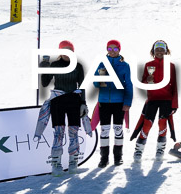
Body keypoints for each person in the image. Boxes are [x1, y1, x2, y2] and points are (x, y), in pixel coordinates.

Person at [36, 40, 91, 176]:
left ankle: (73, 161)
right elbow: (44, 83)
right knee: (59, 132)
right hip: (58, 101)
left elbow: (82, 85)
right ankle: (56, 163)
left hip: (74, 100)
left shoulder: (78, 66)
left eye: (70, 50)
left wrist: (83, 103)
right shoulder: (55, 65)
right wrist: (44, 68)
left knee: (73, 132)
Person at [134, 40, 178, 162]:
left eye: (162, 50)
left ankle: (160, 149)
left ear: (166, 51)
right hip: (152, 99)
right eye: (157, 50)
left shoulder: (171, 66)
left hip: (166, 100)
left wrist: (174, 104)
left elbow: (174, 85)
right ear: (153, 51)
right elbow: (143, 83)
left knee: (162, 124)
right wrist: (147, 80)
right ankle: (139, 149)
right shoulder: (148, 65)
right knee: (147, 124)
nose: (159, 52)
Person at [93, 39, 133, 167]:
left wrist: (127, 102)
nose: (112, 51)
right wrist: (100, 78)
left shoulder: (125, 65)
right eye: (109, 49)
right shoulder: (101, 64)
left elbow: (129, 85)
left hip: (119, 102)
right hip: (104, 101)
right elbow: (95, 82)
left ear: (119, 50)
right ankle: (104, 158)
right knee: (104, 130)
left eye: (115, 49)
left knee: (118, 129)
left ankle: (118, 157)